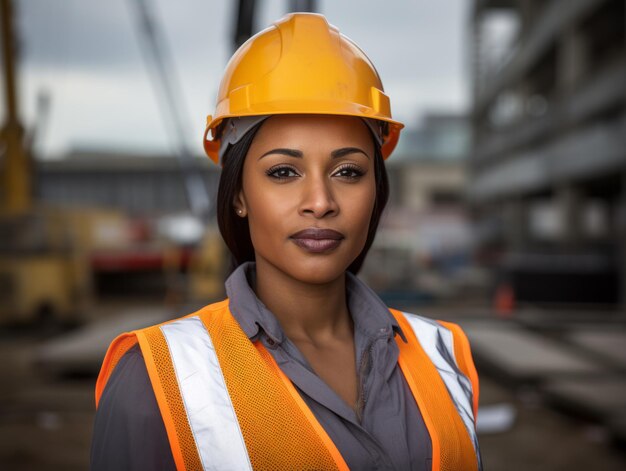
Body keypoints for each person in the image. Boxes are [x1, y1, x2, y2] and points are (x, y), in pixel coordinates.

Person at [90, 12, 482, 471]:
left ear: (376, 190)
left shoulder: (444, 355)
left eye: (348, 172)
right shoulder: (156, 381)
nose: (320, 202)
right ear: (238, 194)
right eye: (283, 172)